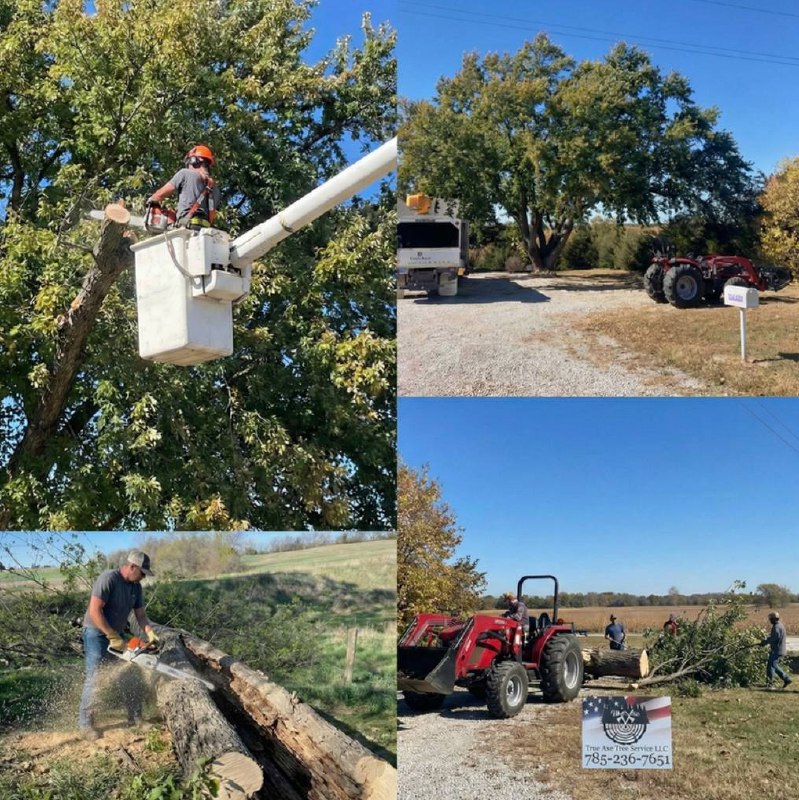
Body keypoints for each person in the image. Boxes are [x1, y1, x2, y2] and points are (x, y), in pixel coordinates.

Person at [78, 551, 159, 740]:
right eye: (142, 572)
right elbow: (95, 610)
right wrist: (112, 635)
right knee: (96, 676)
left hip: (118, 634)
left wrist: (149, 632)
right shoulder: (109, 578)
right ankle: (85, 725)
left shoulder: (135, 587)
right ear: (132, 567)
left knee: (130, 672)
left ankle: (135, 717)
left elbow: (140, 614)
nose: (143, 577)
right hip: (96, 634)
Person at [147, 145, 221, 229]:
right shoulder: (215, 189)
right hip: (205, 231)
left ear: (194, 161)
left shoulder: (185, 173)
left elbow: (162, 193)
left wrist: (152, 199)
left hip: (188, 228)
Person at [761, 611, 792, 690]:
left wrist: (765, 642)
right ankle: (786, 679)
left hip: (777, 650)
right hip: (780, 649)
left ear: (773, 619)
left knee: (771, 666)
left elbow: (774, 638)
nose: (770, 620)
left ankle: (770, 684)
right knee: (773, 665)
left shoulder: (776, 627)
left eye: (770, 619)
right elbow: (774, 637)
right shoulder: (780, 625)